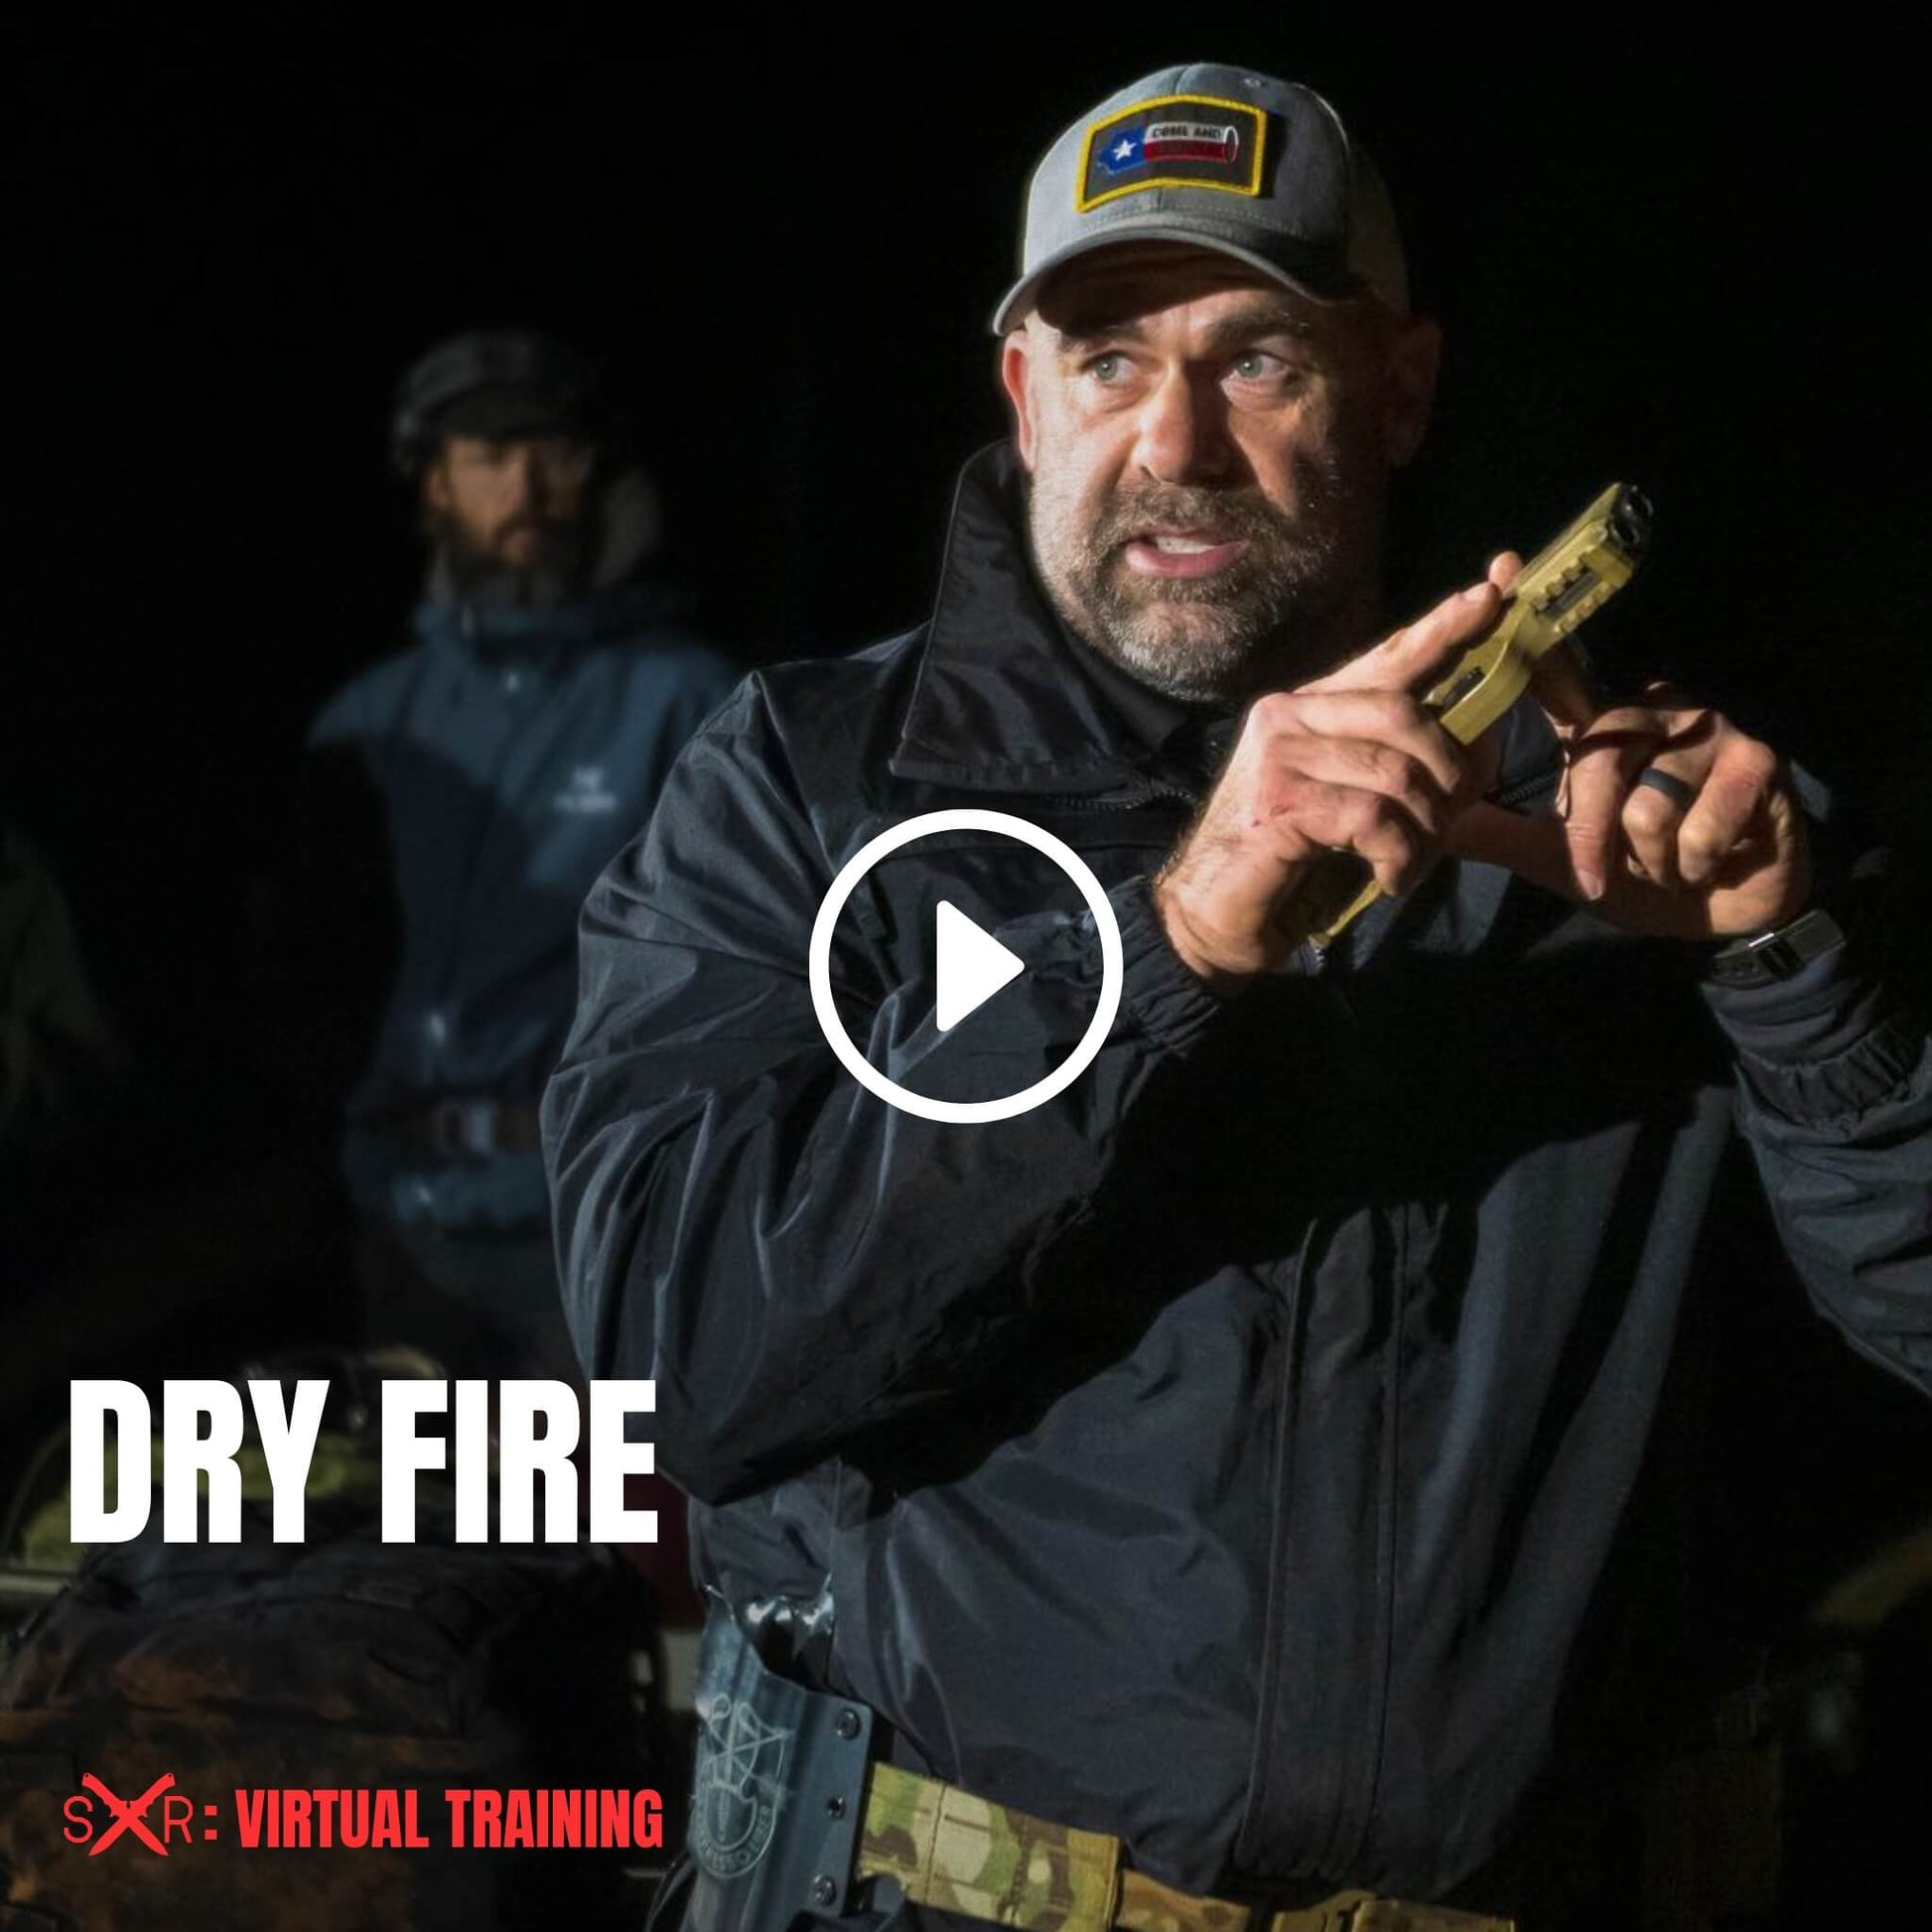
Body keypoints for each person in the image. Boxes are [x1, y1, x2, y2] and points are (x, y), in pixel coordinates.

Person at [543, 67, 1931, 1931]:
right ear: (1022, 397)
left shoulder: (1637, 816)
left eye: (1260, 356)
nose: (1176, 441)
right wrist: (1164, 946)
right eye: (1108, 361)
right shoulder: (807, 781)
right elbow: (672, 1361)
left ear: (1405, 386)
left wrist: (1792, 976)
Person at [294, 329, 738, 1378]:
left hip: (596, 1225)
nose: (527, 486)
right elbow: (301, 983)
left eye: (557, 453)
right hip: (395, 1222)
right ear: (432, 486)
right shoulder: (364, 723)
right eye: (488, 456)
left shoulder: (691, 699)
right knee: (400, 1529)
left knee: (583, 1537)